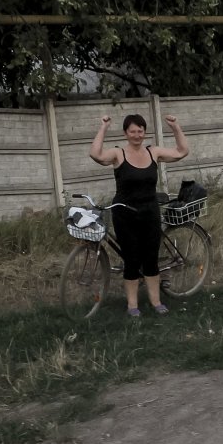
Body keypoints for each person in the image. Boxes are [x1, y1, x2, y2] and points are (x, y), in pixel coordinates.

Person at [89, 112, 191, 315]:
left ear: (145, 132)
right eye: (132, 131)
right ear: (126, 133)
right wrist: (103, 127)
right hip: (124, 214)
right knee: (132, 259)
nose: (137, 135)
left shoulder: (153, 152)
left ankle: (156, 302)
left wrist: (175, 127)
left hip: (149, 212)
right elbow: (96, 154)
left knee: (151, 258)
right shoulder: (118, 154)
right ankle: (132, 306)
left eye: (140, 131)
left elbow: (182, 151)